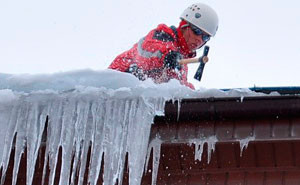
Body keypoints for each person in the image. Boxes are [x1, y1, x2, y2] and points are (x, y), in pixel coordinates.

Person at [108, 3, 218, 89]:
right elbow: (148, 50)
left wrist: (195, 94)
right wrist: (167, 55)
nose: (199, 39)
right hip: (113, 85)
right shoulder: (161, 35)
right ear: (184, 26)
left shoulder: (181, 63)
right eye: (196, 31)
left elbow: (176, 87)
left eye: (205, 37)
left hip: (134, 98)